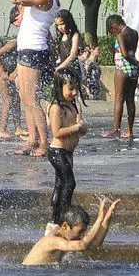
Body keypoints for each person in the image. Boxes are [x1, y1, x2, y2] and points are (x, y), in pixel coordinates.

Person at [8, 0, 60, 157]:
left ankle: (44, 144)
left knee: (32, 100)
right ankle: (32, 140)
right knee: (25, 97)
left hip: (34, 50)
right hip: (26, 49)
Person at [21, 195, 120, 266]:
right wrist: (99, 218)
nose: (81, 236)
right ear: (65, 226)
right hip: (29, 273)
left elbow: (96, 243)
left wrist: (107, 217)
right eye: (79, 231)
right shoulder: (51, 241)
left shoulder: (65, 238)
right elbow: (82, 245)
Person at [44, 69, 85, 230]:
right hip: (57, 151)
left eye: (76, 89)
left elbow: (78, 128)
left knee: (60, 184)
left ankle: (53, 222)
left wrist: (82, 127)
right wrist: (77, 127)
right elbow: (57, 132)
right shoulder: (56, 107)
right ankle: (62, 218)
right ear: (59, 87)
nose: (74, 92)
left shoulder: (71, 105)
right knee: (69, 182)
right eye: (70, 89)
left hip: (68, 152)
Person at [104, 14, 139, 140]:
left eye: (111, 30)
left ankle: (116, 129)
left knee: (119, 99)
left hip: (122, 68)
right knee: (130, 100)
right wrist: (137, 63)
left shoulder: (120, 34)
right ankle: (130, 130)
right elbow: (131, 51)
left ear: (114, 25)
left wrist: (136, 62)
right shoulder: (134, 33)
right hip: (134, 70)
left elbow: (124, 54)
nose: (112, 33)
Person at [0, 32, 24, 140]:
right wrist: (2, 72)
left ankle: (18, 128)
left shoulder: (24, 46)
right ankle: (2, 130)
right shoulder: (14, 43)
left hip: (7, 72)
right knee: (7, 100)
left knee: (16, 99)